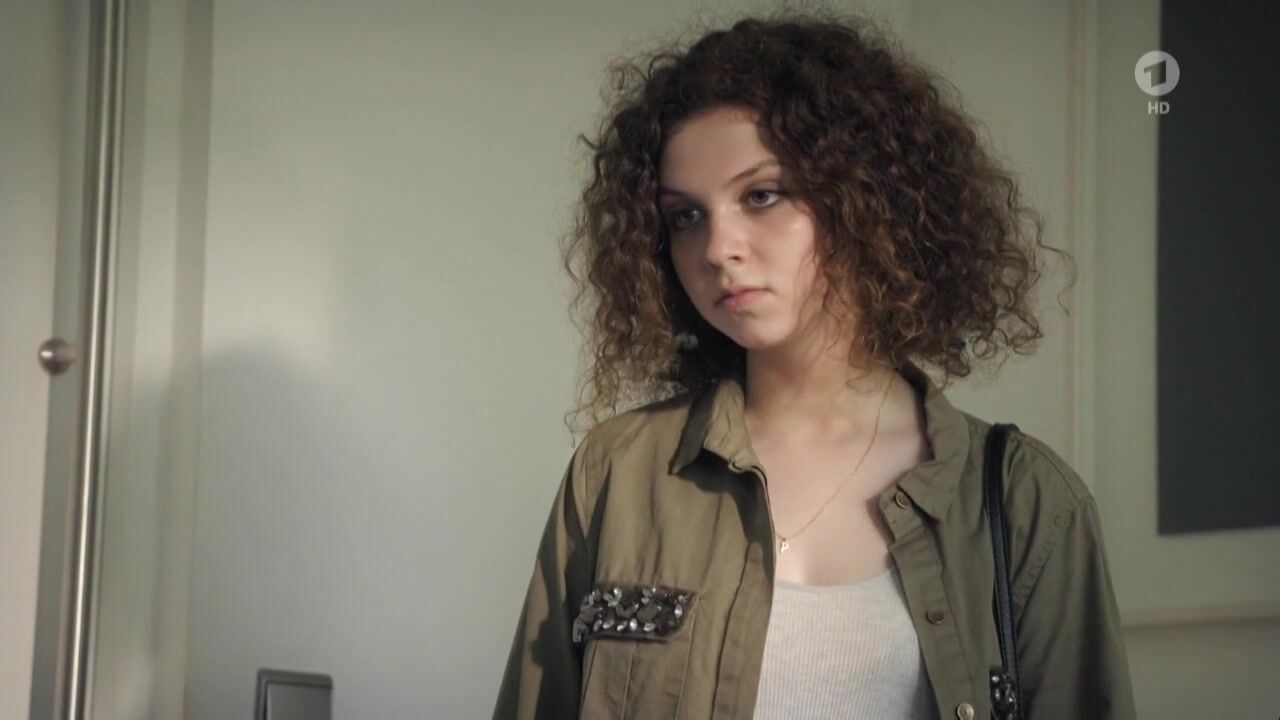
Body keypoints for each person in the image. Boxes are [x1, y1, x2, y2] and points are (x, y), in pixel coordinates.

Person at [494, 9, 1136, 720]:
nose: (718, 248)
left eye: (761, 195)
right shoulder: (620, 470)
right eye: (686, 216)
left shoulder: (1025, 500)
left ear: (866, 199)